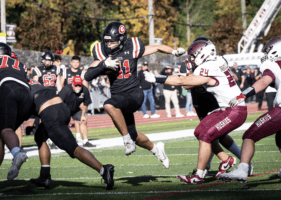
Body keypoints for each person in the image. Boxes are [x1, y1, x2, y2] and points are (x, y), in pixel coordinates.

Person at [144, 39, 247, 184]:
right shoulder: (218, 60)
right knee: (199, 131)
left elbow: (182, 82)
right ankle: (224, 161)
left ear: (202, 53)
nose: (191, 59)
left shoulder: (207, 67)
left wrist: (157, 78)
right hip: (226, 108)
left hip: (234, 110)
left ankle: (199, 175)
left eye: (193, 55)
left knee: (207, 135)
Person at [85, 21, 186, 168]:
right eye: (106, 41)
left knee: (108, 105)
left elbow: (157, 47)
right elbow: (87, 75)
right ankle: (157, 149)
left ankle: (126, 140)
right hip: (119, 98)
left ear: (121, 40)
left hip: (134, 94)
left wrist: (173, 51)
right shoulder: (102, 52)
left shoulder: (132, 46)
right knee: (135, 135)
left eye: (112, 42)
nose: (108, 45)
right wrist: (104, 65)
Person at [178, 38, 252, 180]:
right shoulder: (192, 63)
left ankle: (227, 163)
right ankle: (218, 163)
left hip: (214, 100)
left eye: (193, 55)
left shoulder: (213, 62)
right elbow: (186, 84)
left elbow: (186, 83)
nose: (191, 59)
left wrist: (162, 79)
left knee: (214, 135)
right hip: (200, 100)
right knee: (204, 133)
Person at [219, 36, 281, 182]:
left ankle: (242, 169)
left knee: (249, 135)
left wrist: (243, 95)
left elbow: (265, 80)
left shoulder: (273, 64)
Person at [0, 43, 33, 191]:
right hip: (27, 96)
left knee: (5, 129)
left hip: (8, 89)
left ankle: (17, 152)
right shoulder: (19, 64)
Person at [58, 76, 96, 147]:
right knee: (63, 124)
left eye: (79, 85)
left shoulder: (85, 90)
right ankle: (62, 141)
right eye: (76, 85)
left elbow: (86, 103)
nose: (78, 87)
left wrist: (83, 115)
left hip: (75, 109)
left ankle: (85, 142)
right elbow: (58, 102)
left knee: (83, 120)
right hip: (65, 109)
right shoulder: (66, 90)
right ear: (72, 84)